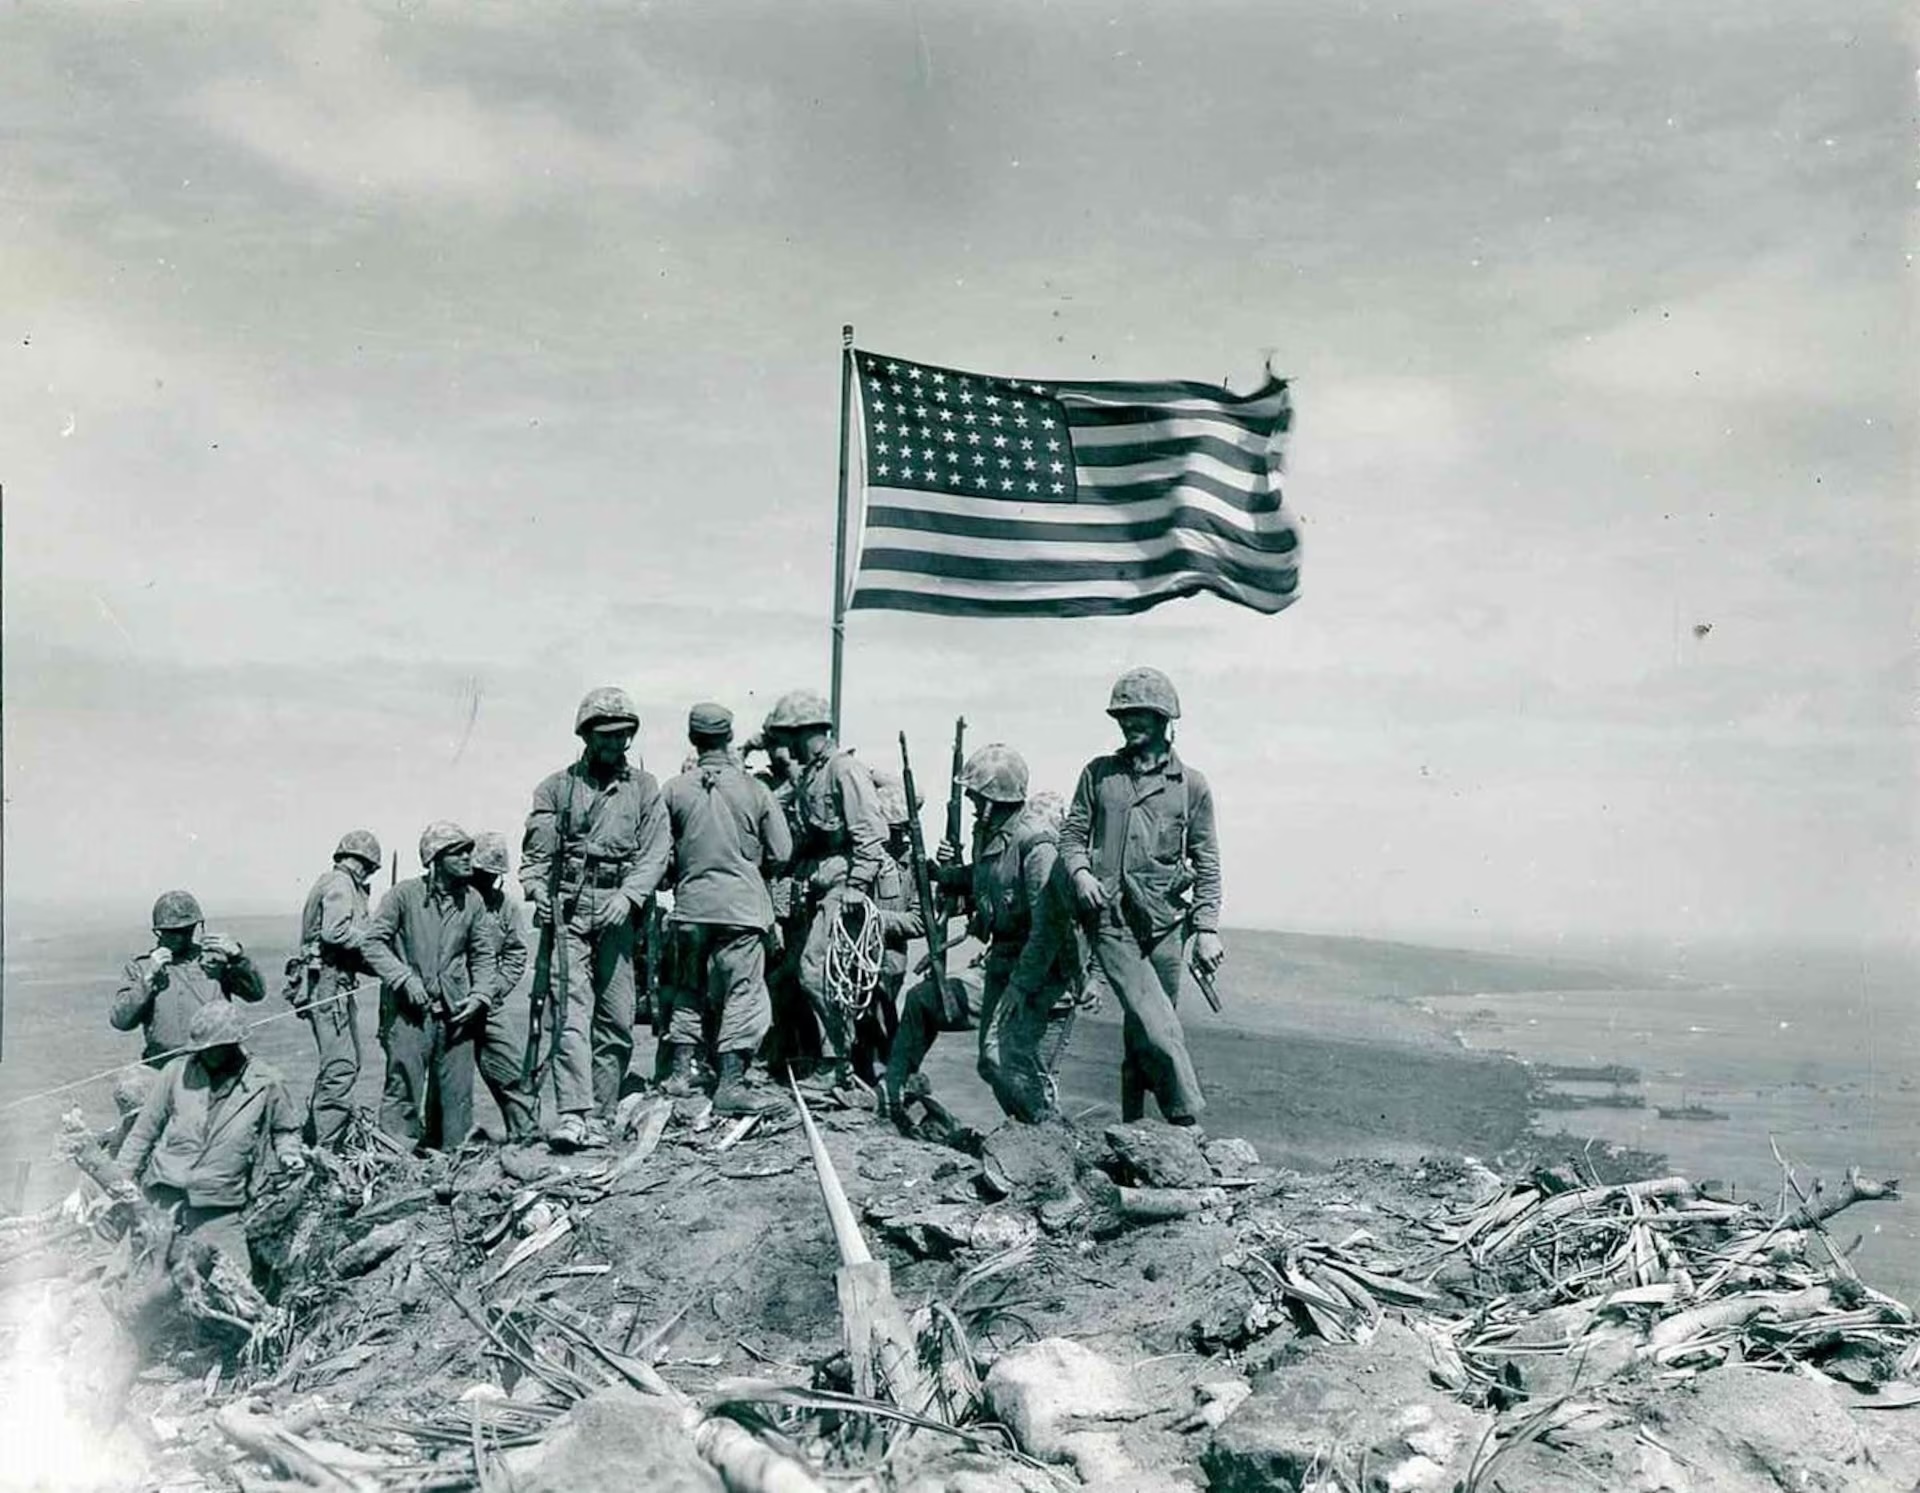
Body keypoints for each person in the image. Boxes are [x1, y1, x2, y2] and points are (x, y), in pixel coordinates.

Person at [884, 747, 1086, 1122]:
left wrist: (1020, 986)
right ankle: (891, 1095)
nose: (971, 801)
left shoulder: (1036, 844)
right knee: (923, 1001)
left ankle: (1045, 1135)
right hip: (1002, 964)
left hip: (1040, 977)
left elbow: (1049, 929)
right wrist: (942, 875)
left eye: (976, 794)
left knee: (997, 1060)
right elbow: (982, 878)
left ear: (994, 799)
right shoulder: (989, 833)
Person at [1060, 667, 1223, 1126]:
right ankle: (1186, 1124)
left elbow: (1207, 859)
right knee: (1160, 1026)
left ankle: (1133, 1131)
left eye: (1140, 717)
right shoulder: (1099, 775)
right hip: (1113, 922)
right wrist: (1080, 872)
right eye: (1122, 717)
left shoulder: (1191, 785)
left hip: (1168, 927)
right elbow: (1072, 834)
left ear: (1164, 718)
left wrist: (1207, 928)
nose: (1129, 724)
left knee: (1142, 1033)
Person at [520, 687, 672, 1150]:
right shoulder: (555, 788)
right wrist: (534, 890)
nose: (615, 745)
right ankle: (573, 1113)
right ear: (586, 735)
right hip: (568, 911)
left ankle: (603, 1113)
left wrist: (628, 897)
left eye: (623, 736)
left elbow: (656, 853)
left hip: (618, 912)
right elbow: (535, 858)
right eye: (605, 736)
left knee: (618, 1017)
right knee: (570, 1013)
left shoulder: (645, 789)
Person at [659, 703, 793, 1114]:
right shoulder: (755, 789)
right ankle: (731, 1084)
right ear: (730, 737)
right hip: (741, 909)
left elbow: (660, 858)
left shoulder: (674, 789)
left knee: (688, 988)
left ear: (693, 739)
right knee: (742, 992)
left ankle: (682, 1073)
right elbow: (782, 851)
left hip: (691, 907)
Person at [765, 688, 891, 1093]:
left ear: (803, 732)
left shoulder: (843, 770)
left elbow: (870, 833)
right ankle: (808, 1057)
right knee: (791, 976)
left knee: (817, 973)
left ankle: (837, 1064)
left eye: (786, 736)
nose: (783, 746)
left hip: (841, 886)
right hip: (814, 886)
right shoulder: (812, 774)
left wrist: (856, 886)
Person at [117, 1001, 304, 1273]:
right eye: (198, 1049)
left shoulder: (267, 1082)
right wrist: (120, 1182)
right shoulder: (175, 1072)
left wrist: (290, 1154)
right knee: (135, 1274)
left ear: (232, 1045)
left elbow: (285, 1129)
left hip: (220, 1203)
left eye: (210, 1049)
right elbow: (142, 1134)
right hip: (163, 1193)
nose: (203, 1054)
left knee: (236, 1280)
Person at [361, 821, 489, 1151]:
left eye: (468, 851)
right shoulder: (403, 896)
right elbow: (373, 943)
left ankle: (451, 1160)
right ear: (435, 857)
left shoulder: (472, 901)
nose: (467, 858)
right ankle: (395, 1158)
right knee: (403, 1086)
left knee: (456, 1095)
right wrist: (403, 978)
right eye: (457, 852)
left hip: (457, 1012)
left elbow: (483, 956)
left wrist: (480, 995)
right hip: (409, 1013)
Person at [290, 830, 381, 1148]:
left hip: (333, 984)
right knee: (340, 1067)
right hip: (328, 988)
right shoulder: (341, 884)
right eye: (369, 868)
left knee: (345, 1063)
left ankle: (319, 1136)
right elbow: (335, 932)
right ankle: (325, 1149)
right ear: (362, 863)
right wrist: (377, 942)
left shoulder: (331, 881)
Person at [112, 890, 266, 1069]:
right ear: (159, 932)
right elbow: (121, 1021)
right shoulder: (142, 966)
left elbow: (256, 994)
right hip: (164, 1067)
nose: (180, 937)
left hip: (217, 1066)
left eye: (187, 931)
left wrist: (238, 958)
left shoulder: (215, 959)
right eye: (173, 932)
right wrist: (148, 979)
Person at [469, 832, 537, 1142]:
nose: (486, 880)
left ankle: (525, 1135)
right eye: (481, 873)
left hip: (489, 1001)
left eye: (492, 875)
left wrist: (495, 989)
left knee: (510, 1067)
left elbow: (516, 953)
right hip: (450, 1000)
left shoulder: (505, 907)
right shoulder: (453, 902)